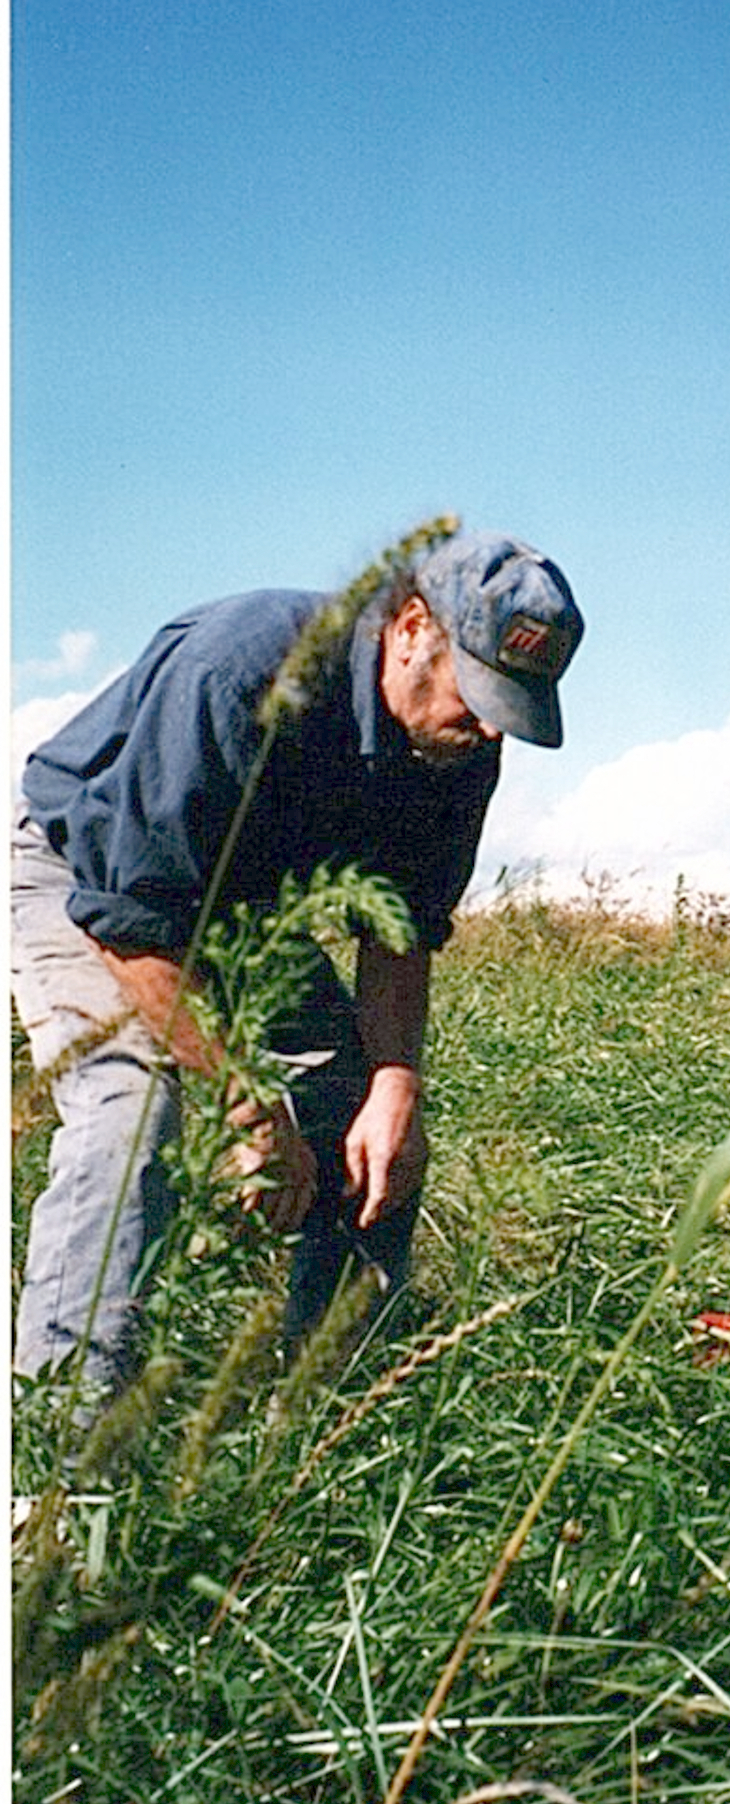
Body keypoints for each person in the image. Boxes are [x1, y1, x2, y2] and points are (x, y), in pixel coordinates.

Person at [12, 529, 583, 1412]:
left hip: (242, 908)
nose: (489, 729)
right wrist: (248, 1102)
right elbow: (133, 925)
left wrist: (396, 1086)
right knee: (132, 1113)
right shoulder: (240, 672)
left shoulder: (461, 745)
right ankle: (65, 1432)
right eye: (476, 695)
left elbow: (398, 929)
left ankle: (329, 1414)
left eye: (510, 707)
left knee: (371, 1122)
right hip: (89, 881)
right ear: (410, 629)